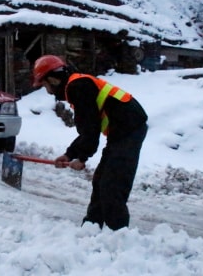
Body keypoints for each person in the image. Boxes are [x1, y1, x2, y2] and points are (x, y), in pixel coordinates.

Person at [32, 55, 148, 231]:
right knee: (101, 181)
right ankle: (91, 228)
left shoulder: (77, 87)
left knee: (112, 184)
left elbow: (90, 130)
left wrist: (82, 157)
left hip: (129, 130)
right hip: (121, 132)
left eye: (44, 85)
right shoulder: (78, 85)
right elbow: (88, 129)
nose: (47, 91)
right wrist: (70, 154)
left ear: (53, 79)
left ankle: (118, 235)